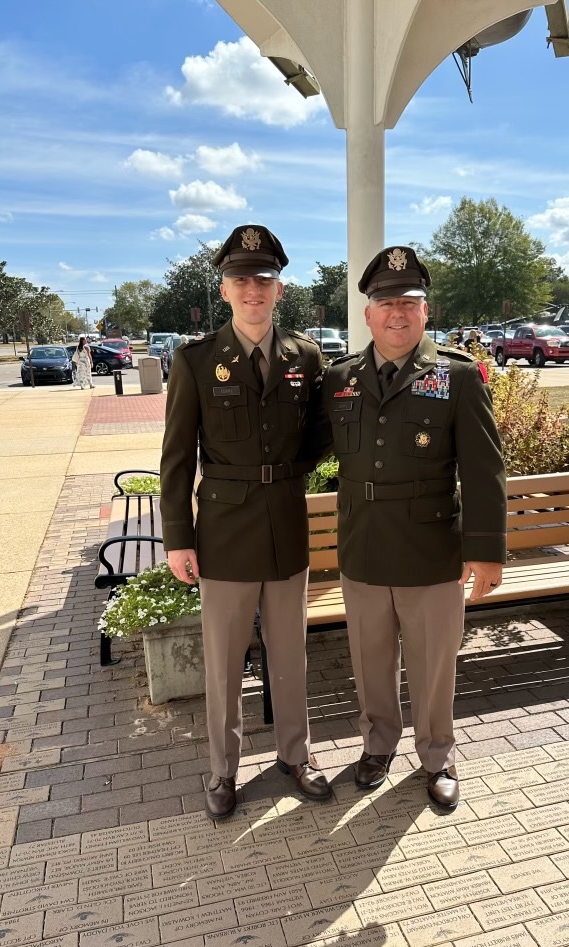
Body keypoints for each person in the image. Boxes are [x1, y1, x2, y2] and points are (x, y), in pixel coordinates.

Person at [320, 246, 507, 810]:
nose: (396, 313)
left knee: (432, 663)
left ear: (426, 312)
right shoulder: (340, 379)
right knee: (370, 658)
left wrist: (487, 552)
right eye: (385, 303)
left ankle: (438, 753)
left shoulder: (456, 377)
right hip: (364, 545)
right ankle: (378, 746)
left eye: (408, 302)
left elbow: (483, 468)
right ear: (368, 313)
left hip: (431, 548)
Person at [160, 224, 332, 820]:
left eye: (263, 279)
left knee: (291, 654)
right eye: (241, 280)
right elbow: (177, 459)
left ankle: (296, 757)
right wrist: (178, 538)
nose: (252, 289)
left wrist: (284, 474)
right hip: (224, 532)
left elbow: (317, 435)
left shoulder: (305, 358)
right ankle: (223, 770)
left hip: (285, 524)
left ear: (279, 289)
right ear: (225, 289)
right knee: (225, 659)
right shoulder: (196, 360)